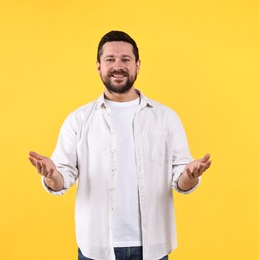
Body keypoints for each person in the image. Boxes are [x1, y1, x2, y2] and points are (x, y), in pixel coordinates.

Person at [28, 30, 212, 260]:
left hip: (153, 247)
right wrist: (51, 174)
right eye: (110, 60)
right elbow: (61, 179)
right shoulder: (78, 120)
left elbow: (181, 181)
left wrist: (190, 174)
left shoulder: (166, 118)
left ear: (137, 65)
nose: (118, 66)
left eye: (126, 59)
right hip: (96, 247)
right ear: (98, 66)